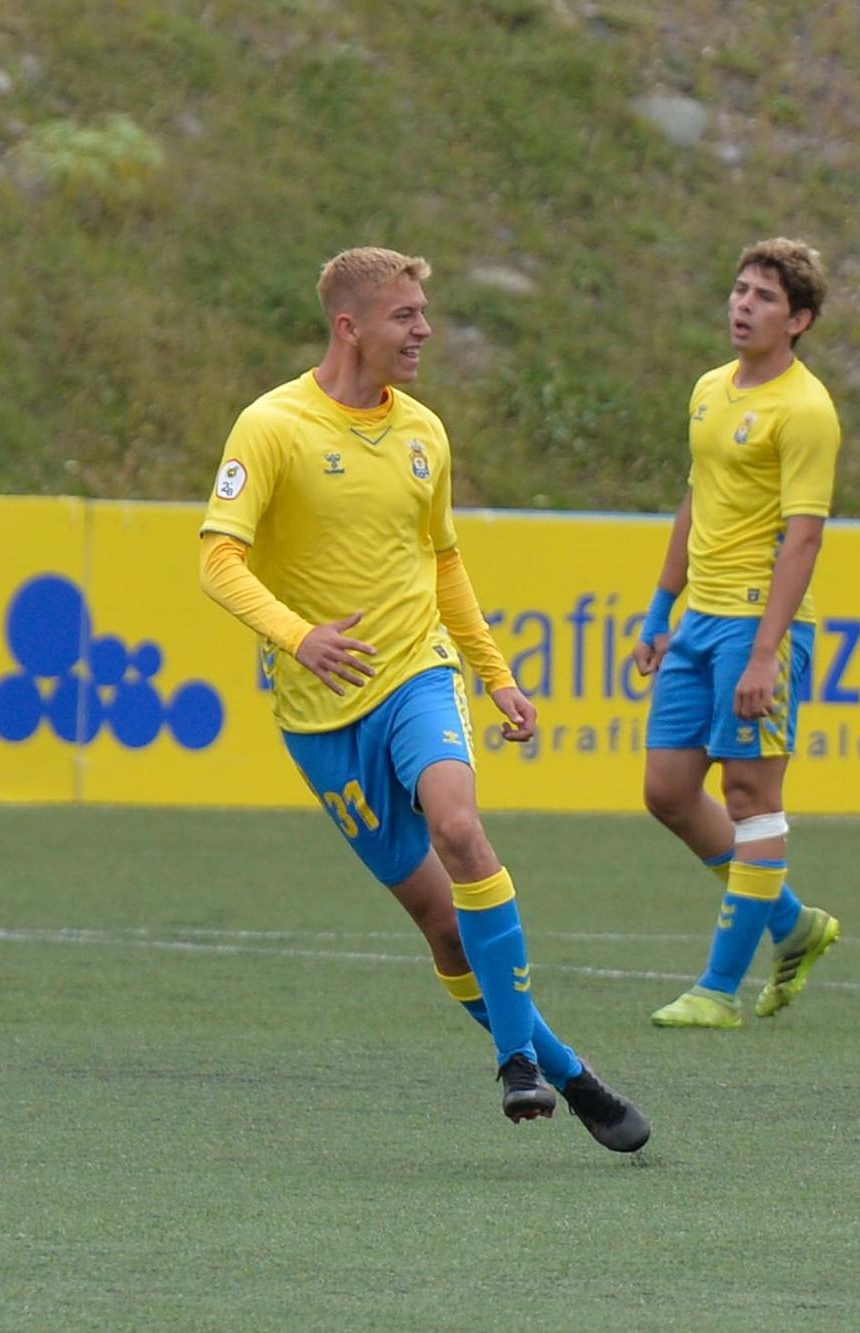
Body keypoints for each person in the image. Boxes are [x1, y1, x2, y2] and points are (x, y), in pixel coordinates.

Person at [197, 246, 648, 1153]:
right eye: (407, 316)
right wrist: (300, 636)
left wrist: (498, 675)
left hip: (416, 670)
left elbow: (443, 561)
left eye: (425, 312)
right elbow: (216, 558)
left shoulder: (424, 433)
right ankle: (570, 1073)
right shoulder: (272, 425)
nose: (425, 331)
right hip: (320, 713)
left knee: (459, 825)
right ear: (350, 327)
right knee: (442, 924)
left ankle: (515, 1061)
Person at [632, 238, 843, 1029]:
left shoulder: (806, 410)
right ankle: (793, 925)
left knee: (750, 794)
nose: (742, 305)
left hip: (761, 626)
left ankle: (717, 990)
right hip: (697, 621)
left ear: (799, 320)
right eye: (739, 289)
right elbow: (697, 498)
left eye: (762, 297)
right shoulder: (709, 390)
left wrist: (766, 652)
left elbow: (805, 537)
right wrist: (660, 611)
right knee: (667, 790)